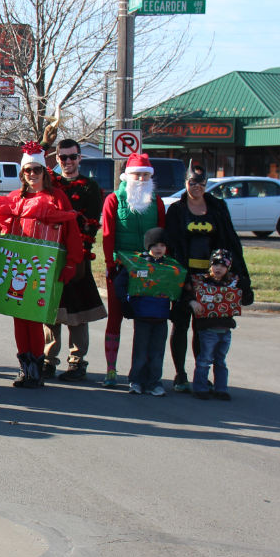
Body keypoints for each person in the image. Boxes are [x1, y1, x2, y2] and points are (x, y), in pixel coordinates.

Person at [0, 143, 82, 388]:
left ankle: (37, 368)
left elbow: (71, 230)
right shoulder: (14, 198)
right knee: (20, 318)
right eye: (27, 170)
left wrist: (71, 262)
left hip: (43, 268)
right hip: (17, 267)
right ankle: (25, 367)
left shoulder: (56, 197)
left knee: (37, 317)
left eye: (36, 169)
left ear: (44, 172)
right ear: (22, 173)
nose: (32, 174)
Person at [164, 163, 250, 393]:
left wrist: (241, 277)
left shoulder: (217, 208)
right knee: (180, 324)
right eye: (192, 182)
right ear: (186, 183)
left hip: (211, 278)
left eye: (201, 183)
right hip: (184, 275)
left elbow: (230, 241)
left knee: (203, 327)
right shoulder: (177, 210)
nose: (197, 187)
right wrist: (180, 280)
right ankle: (180, 374)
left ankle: (200, 375)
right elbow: (171, 245)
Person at [100, 152, 166, 387]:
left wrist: (160, 263)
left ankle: (141, 372)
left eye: (145, 175)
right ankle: (111, 369)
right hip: (121, 267)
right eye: (136, 174)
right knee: (115, 318)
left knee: (145, 319)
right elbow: (107, 235)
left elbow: (162, 233)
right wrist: (110, 264)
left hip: (149, 269)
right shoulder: (114, 200)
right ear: (127, 176)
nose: (140, 179)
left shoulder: (156, 201)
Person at [45, 139, 107, 381]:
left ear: (80, 158)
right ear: (57, 159)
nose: (68, 161)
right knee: (50, 310)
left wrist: (77, 253)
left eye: (72, 157)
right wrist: (43, 143)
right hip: (52, 254)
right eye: (63, 157)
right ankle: (48, 360)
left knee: (77, 312)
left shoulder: (90, 187)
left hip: (78, 254)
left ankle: (77, 361)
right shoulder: (51, 183)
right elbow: (31, 170)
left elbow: (90, 224)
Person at [119, 227, 182, 396]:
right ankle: (136, 380)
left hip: (161, 316)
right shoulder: (137, 264)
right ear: (148, 246)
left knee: (157, 353)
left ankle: (154, 382)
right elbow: (121, 283)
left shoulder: (171, 267)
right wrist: (125, 303)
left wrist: (176, 307)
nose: (159, 248)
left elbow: (178, 287)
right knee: (140, 352)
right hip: (142, 315)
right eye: (154, 245)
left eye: (162, 245)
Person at [188, 248, 241, 401]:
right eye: (215, 264)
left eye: (223, 265)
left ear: (228, 268)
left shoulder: (233, 283)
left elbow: (246, 297)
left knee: (221, 360)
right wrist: (192, 302)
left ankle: (221, 389)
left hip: (225, 329)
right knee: (204, 360)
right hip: (208, 329)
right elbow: (187, 294)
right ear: (210, 265)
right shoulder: (201, 282)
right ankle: (200, 388)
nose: (218, 268)